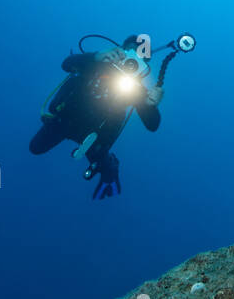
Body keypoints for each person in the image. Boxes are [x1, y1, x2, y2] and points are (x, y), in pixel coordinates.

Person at [30, 35, 164, 199]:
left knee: (107, 171)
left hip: (95, 139)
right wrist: (95, 57)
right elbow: (66, 64)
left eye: (139, 58)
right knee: (35, 148)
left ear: (143, 66)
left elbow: (152, 125)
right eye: (130, 52)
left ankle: (111, 167)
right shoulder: (96, 63)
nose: (131, 61)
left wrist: (151, 106)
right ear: (120, 50)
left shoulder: (135, 89)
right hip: (64, 121)